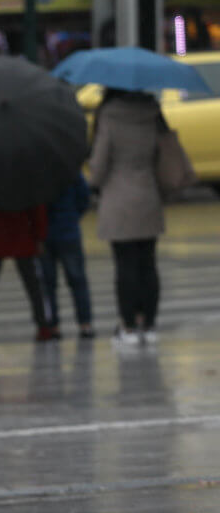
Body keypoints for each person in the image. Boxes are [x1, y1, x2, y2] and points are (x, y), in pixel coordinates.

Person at [88, 89, 165, 345]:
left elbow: (98, 167)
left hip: (118, 200)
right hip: (148, 195)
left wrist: (94, 181)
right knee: (148, 263)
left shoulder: (108, 117)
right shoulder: (152, 113)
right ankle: (150, 324)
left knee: (125, 265)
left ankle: (129, 326)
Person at [0, 206, 57, 346]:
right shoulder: (28, 184)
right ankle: (44, 325)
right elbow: (37, 207)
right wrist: (40, 236)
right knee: (34, 285)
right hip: (22, 231)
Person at [40, 173, 94, 340]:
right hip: (68, 231)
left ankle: (52, 325)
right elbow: (84, 197)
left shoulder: (34, 170)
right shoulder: (69, 167)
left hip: (43, 233)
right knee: (77, 280)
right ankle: (85, 324)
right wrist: (73, 216)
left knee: (47, 283)